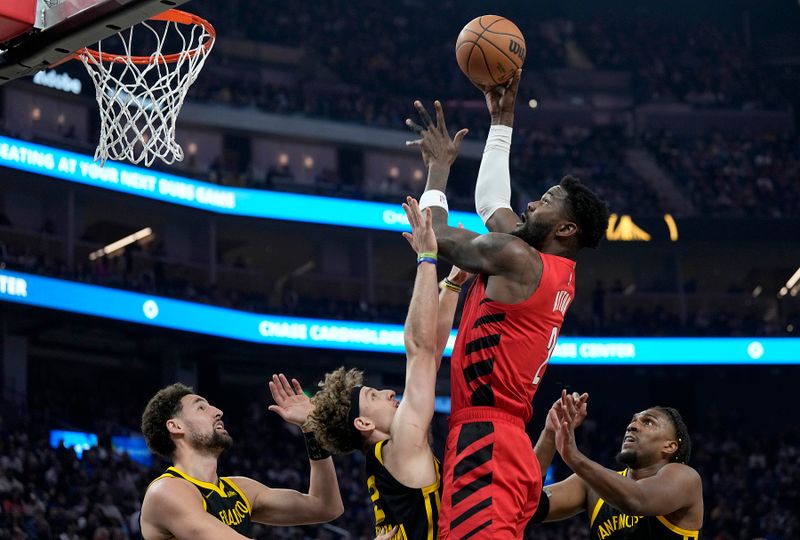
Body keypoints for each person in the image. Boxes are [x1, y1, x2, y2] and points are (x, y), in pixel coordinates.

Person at [404, 69, 611, 538]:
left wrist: (438, 168)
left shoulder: (518, 260)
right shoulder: (549, 269)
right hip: (505, 437)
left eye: (548, 200)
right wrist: (502, 120)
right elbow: (491, 204)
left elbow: (433, 238)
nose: (533, 201)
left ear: (566, 230)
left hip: (488, 440)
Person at [308, 197, 470, 539]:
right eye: (373, 395)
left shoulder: (385, 463)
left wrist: (453, 285)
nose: (389, 392)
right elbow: (421, 352)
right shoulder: (401, 449)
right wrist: (426, 259)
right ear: (364, 423)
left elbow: (429, 355)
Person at [138, 377, 344, 540]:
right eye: (201, 407)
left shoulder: (241, 490)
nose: (218, 412)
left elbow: (326, 507)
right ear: (175, 426)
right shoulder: (166, 491)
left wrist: (311, 428)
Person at [537, 391, 703, 538]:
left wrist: (574, 457)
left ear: (669, 446)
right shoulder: (590, 485)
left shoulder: (685, 478)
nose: (632, 426)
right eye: (633, 421)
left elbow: (636, 500)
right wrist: (551, 433)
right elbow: (529, 504)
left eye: (648, 422)